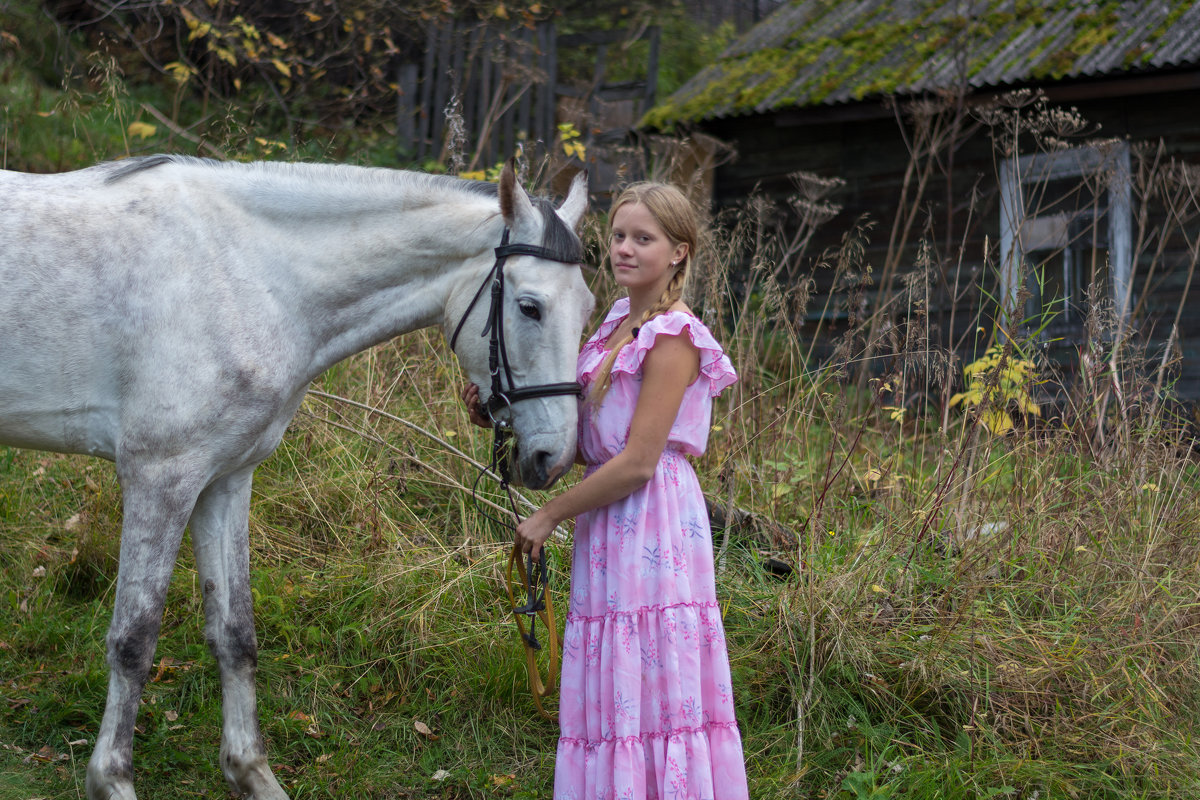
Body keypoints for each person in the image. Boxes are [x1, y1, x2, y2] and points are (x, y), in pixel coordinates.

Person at [463, 181, 748, 800]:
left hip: (651, 515)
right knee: (616, 667)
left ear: (678, 252)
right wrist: (493, 412)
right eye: (618, 235)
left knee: (652, 666)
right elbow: (582, 430)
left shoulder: (674, 335)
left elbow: (641, 460)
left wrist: (549, 516)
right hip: (605, 518)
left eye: (643, 239)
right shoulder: (615, 323)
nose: (624, 249)